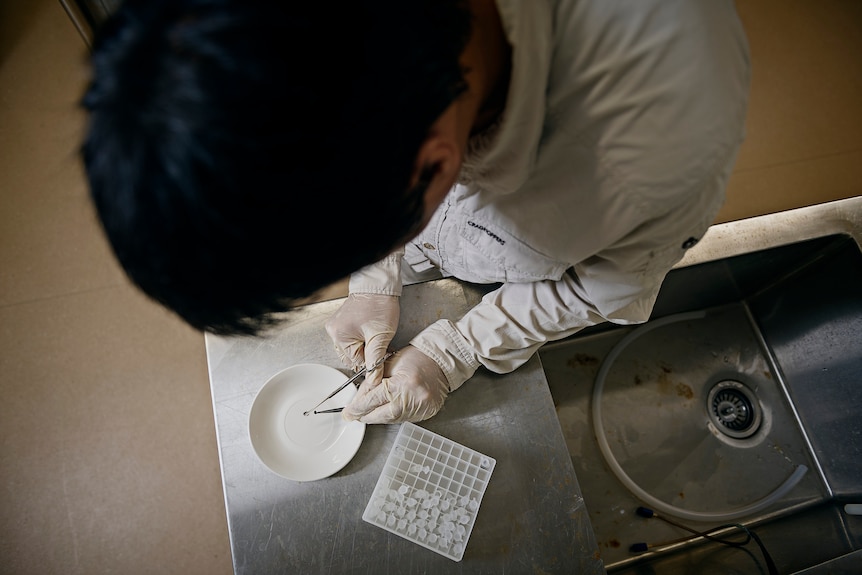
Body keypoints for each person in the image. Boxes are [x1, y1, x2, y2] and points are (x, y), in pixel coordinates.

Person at [82, 0, 750, 425]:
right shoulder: (372, 72)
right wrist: (375, 279)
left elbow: (614, 276)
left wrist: (459, 348)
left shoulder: (656, 129)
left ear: (435, 166)